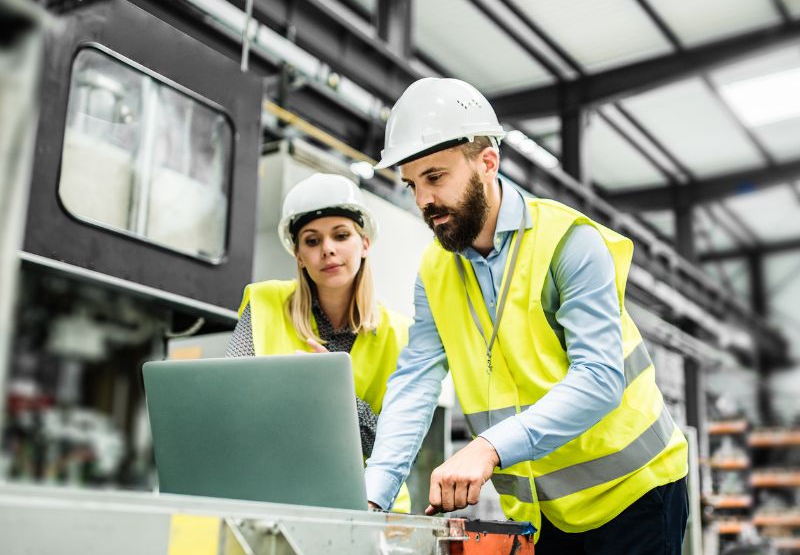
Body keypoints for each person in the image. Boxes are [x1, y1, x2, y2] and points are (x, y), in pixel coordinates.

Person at [364, 78, 689, 553]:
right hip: (545, 512)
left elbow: (600, 377)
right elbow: (415, 381)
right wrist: (373, 496)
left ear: (487, 162)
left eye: (435, 177)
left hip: (636, 492)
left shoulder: (568, 242)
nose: (422, 201)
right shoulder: (434, 272)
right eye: (412, 184)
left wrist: (488, 447)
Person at [226, 172, 411, 512]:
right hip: (277, 497)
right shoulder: (264, 304)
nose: (328, 249)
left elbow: (395, 446)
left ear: (364, 244)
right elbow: (231, 405)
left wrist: (334, 393)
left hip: (370, 505)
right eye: (312, 241)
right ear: (298, 255)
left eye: (341, 235)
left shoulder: (400, 333)